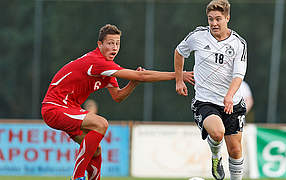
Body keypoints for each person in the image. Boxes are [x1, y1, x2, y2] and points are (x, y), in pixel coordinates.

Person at [41, 24, 194, 180]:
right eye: (110, 43)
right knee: (101, 123)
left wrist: (132, 83)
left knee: (96, 150)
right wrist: (178, 75)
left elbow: (118, 96)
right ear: (100, 44)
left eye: (117, 44)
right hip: (55, 109)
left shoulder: (107, 68)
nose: (114, 47)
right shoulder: (98, 62)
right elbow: (142, 76)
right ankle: (78, 176)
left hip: (69, 109)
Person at [174, 0, 247, 180]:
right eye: (210, 19)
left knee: (235, 149)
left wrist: (230, 96)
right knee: (217, 132)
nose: (214, 23)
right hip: (206, 101)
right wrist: (179, 79)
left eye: (218, 19)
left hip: (233, 102)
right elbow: (179, 52)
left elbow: (239, 74)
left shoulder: (238, 43)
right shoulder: (197, 36)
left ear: (227, 18)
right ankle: (216, 156)